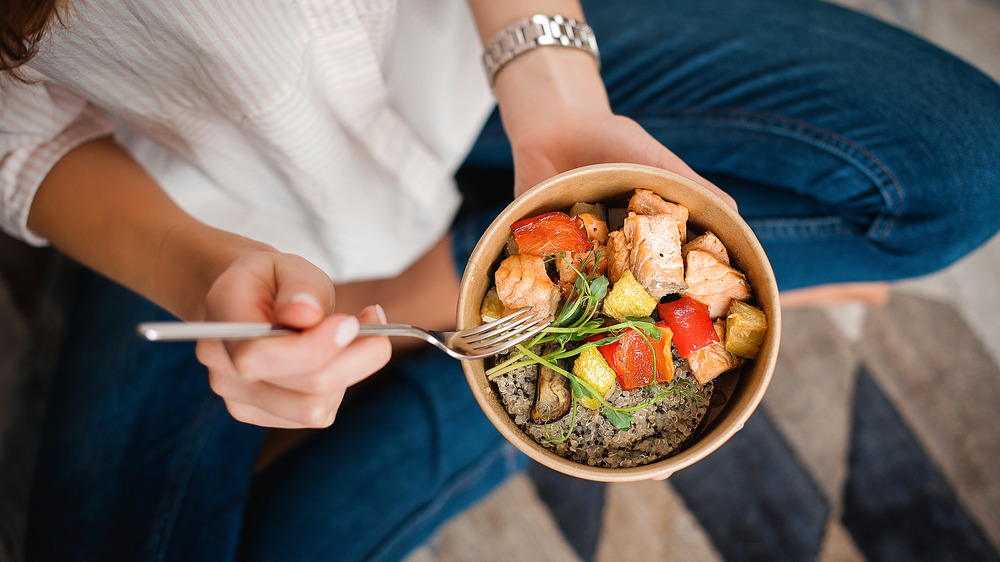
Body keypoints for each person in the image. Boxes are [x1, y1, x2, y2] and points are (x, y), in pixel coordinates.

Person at [2, 0, 998, 560]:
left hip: (480, 58)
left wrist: (556, 94)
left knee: (963, 165)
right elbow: (19, 139)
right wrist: (201, 271)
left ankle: (477, 330)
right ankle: (503, 352)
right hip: (203, 193)